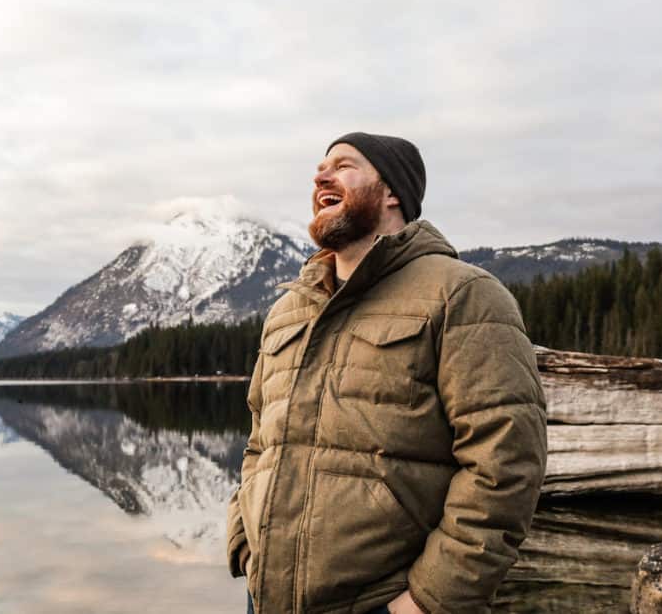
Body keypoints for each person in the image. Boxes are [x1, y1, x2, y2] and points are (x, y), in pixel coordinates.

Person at [226, 132, 548, 614]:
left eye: (343, 165)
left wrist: (429, 599)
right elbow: (258, 442)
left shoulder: (462, 294)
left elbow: (506, 461)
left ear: (392, 190)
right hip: (268, 598)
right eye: (320, 167)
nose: (320, 176)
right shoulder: (289, 310)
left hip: (385, 603)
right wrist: (244, 543)